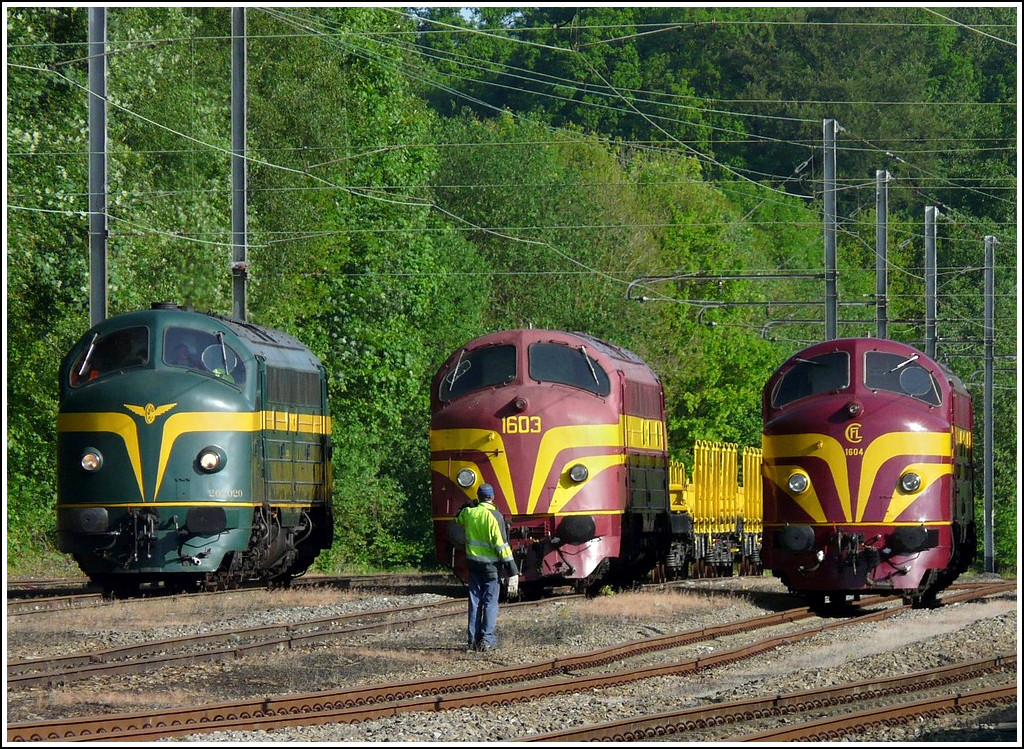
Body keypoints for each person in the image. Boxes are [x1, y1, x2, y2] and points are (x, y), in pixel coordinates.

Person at [455, 483, 519, 652]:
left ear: (479, 496)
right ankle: (487, 640)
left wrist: (467, 505)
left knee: (475, 601)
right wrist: (512, 570)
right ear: (492, 497)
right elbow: (501, 546)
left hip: (473, 565)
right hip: (491, 567)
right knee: (490, 602)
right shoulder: (495, 516)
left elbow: (457, 518)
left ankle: (472, 641)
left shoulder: (469, 514)